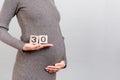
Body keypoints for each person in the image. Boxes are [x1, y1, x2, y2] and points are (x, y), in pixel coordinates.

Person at [0, 0, 67, 80]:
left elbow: (57, 31)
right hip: (30, 70)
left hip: (51, 72)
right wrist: (22, 46)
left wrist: (63, 60)